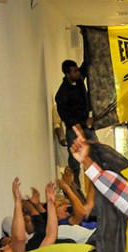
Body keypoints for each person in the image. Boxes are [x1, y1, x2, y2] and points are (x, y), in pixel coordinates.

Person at [55, 59, 96, 189]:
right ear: (68, 74)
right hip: (73, 130)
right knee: (75, 163)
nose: (78, 73)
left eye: (78, 70)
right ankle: (76, 191)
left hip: (87, 128)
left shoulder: (79, 81)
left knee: (96, 153)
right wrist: (84, 122)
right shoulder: (61, 94)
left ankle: (97, 188)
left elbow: (86, 64)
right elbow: (66, 117)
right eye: (75, 71)